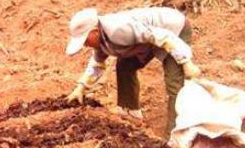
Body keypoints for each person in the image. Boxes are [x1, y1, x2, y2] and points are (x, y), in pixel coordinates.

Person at [65, 7, 201, 135]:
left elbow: (161, 36)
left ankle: (175, 132)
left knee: (174, 83)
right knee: (124, 64)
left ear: (95, 31)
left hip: (173, 31)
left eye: (85, 40)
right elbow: (97, 63)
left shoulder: (117, 30)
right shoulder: (101, 39)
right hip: (150, 39)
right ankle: (130, 111)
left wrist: (186, 62)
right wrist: (81, 88)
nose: (84, 45)